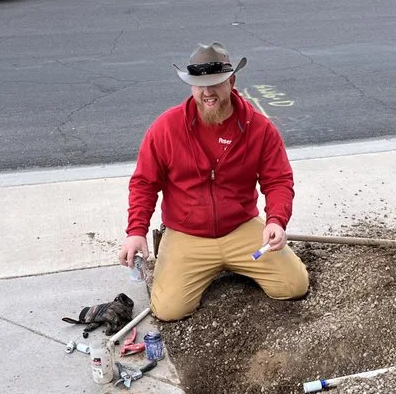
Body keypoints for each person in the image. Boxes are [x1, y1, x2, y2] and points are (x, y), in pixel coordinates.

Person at [118, 42, 309, 321]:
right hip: (187, 233)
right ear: (191, 86)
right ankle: (172, 251)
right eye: (199, 84)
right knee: (169, 310)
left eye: (216, 83)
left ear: (231, 81)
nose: (207, 92)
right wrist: (136, 231)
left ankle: (235, 263)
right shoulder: (166, 128)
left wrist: (276, 221)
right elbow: (144, 183)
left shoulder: (259, 128)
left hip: (241, 228)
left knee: (294, 286)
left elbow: (278, 179)